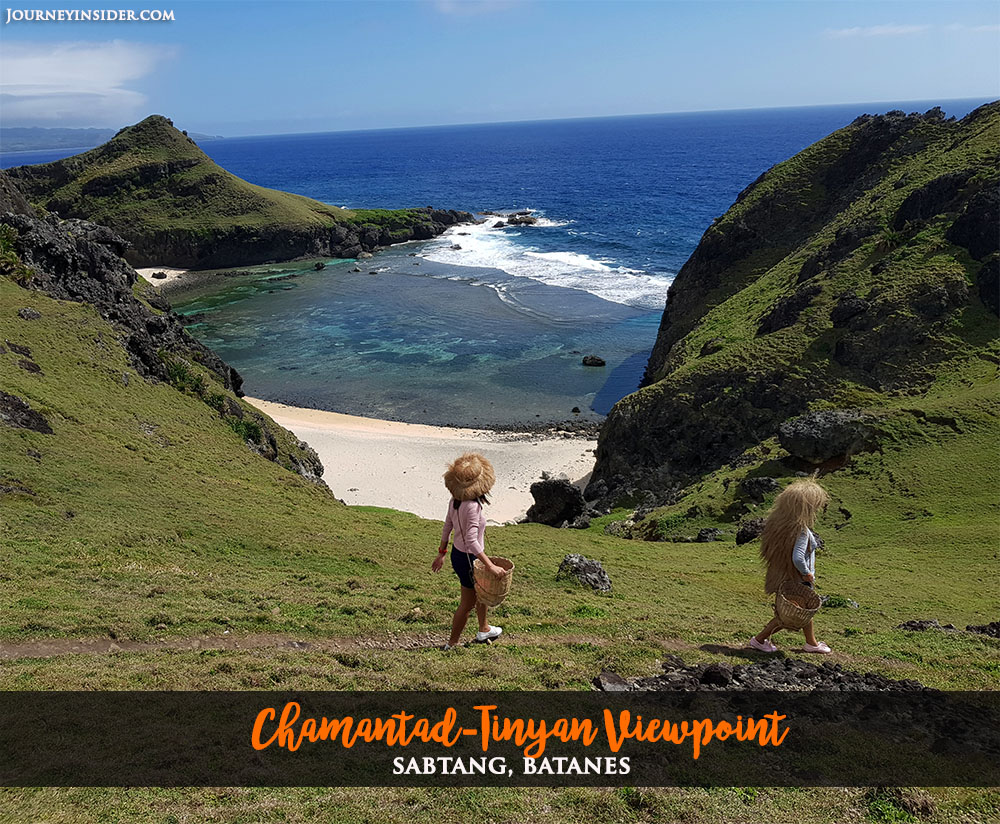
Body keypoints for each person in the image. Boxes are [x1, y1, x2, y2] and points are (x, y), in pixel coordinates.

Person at [749, 478, 832, 654]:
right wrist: (807, 573)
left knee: (802, 611)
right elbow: (797, 558)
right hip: (797, 578)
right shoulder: (800, 530)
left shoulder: (778, 526)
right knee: (790, 615)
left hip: (783, 576)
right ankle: (759, 640)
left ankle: (811, 643)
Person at [432, 453, 506, 650]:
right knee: (467, 603)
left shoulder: (454, 501)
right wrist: (490, 566)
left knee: (479, 593)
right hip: (470, 558)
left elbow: (447, 526)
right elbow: (472, 541)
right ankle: (452, 643)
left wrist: (441, 553)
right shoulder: (472, 506)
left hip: (458, 554)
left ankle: (484, 628)